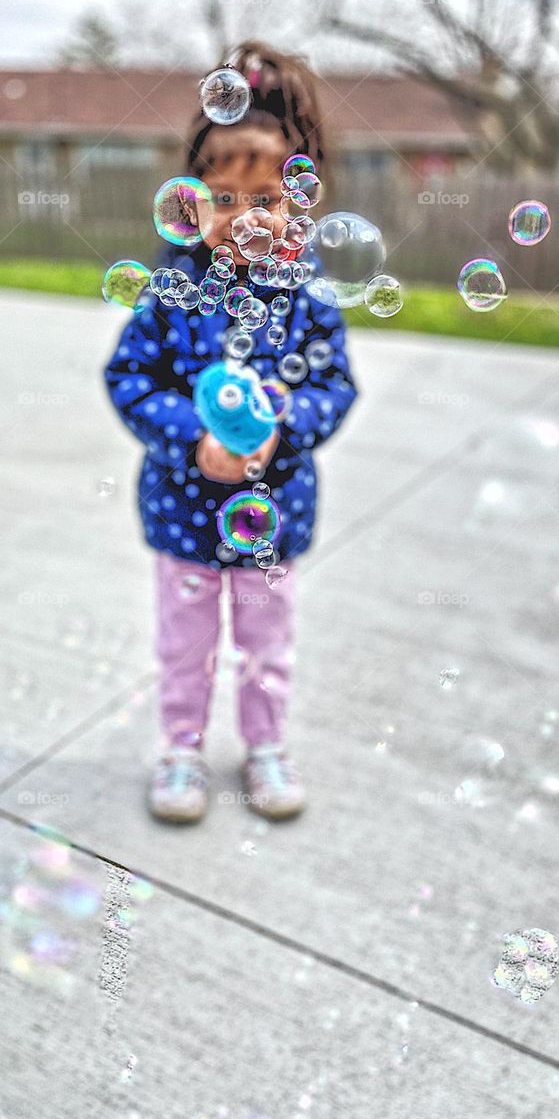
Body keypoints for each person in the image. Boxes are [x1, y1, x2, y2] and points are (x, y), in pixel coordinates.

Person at [104, 41, 359, 824]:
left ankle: (264, 748)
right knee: (184, 647)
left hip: (272, 519)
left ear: (294, 207)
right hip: (183, 515)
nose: (245, 219)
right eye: (224, 199)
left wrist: (281, 433)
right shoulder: (173, 290)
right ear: (194, 203)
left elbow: (333, 385)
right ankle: (181, 750)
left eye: (267, 202)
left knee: (266, 644)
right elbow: (130, 378)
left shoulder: (307, 297)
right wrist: (193, 441)